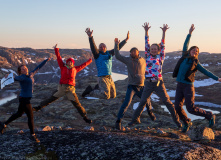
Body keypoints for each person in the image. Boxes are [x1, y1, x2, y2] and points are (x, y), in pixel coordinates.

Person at [129, 22, 182, 128]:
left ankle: (177, 121)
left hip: (159, 83)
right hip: (148, 83)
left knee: (167, 102)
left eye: (155, 48)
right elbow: (146, 43)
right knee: (143, 101)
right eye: (151, 48)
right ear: (149, 50)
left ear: (158, 50)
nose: (153, 49)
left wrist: (163, 32)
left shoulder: (161, 57)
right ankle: (134, 120)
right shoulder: (147, 55)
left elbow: (163, 44)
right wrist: (146, 31)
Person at [173, 24, 221, 132]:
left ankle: (209, 115)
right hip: (180, 85)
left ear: (197, 54)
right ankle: (186, 122)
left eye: (197, 51)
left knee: (191, 108)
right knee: (177, 107)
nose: (195, 52)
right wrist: (189, 33)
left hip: (188, 87)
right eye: (193, 50)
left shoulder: (196, 63)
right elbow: (185, 44)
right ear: (190, 51)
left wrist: (217, 78)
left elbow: (206, 71)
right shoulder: (184, 56)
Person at [33, 44, 93, 124]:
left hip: (70, 89)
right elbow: (59, 58)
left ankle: (85, 117)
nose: (70, 63)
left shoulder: (75, 69)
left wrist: (90, 60)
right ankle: (38, 107)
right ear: (66, 62)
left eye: (71, 62)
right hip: (62, 88)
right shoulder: (62, 67)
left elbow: (84, 65)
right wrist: (56, 49)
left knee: (77, 104)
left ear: (73, 63)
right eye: (68, 62)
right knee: (51, 99)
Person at [0, 58, 51, 143]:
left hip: (24, 98)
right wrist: (8, 76)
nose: (25, 69)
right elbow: (15, 78)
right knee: (30, 117)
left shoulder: (31, 74)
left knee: (19, 114)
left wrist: (46, 60)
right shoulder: (22, 77)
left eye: (25, 67)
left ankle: (4, 124)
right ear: (21, 71)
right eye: (22, 69)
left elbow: (38, 67)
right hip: (24, 100)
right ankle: (33, 135)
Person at [114, 38, 156, 130]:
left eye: (134, 51)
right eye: (131, 52)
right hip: (132, 87)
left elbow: (152, 54)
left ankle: (150, 113)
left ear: (138, 52)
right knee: (126, 103)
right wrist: (116, 44)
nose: (133, 53)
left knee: (147, 100)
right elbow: (117, 56)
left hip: (141, 86)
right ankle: (118, 121)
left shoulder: (144, 60)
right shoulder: (128, 60)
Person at [82, 28, 129, 99]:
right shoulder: (97, 54)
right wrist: (90, 37)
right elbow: (93, 47)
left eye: (103, 46)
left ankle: (98, 88)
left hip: (109, 77)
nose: (102, 47)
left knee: (113, 96)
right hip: (102, 77)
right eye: (100, 47)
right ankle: (90, 91)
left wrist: (126, 40)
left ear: (106, 48)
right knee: (106, 96)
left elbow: (117, 49)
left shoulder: (109, 54)